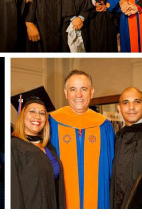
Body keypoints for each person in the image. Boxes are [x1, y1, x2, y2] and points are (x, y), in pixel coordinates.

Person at [48, 70, 114, 208]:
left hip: (98, 201)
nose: (78, 95)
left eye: (84, 89)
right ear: (66, 92)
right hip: (61, 199)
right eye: (73, 89)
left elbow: (112, 167)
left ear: (92, 92)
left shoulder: (104, 125)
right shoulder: (51, 122)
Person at [10, 87, 66, 208]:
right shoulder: (14, 146)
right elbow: (13, 192)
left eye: (42, 113)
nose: (37, 116)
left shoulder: (49, 148)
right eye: (32, 111)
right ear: (22, 115)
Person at [110, 87, 142, 208]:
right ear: (119, 109)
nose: (131, 107)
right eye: (126, 102)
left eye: (137, 101)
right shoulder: (119, 136)